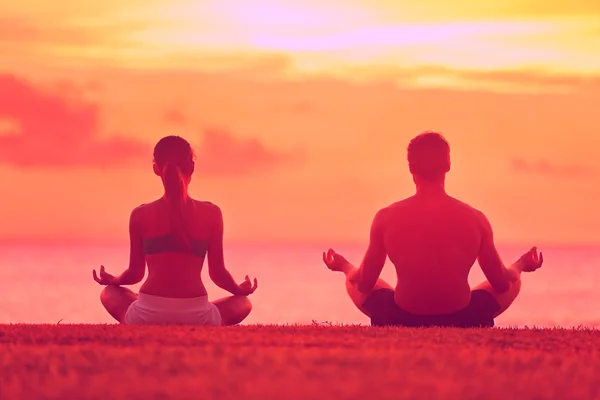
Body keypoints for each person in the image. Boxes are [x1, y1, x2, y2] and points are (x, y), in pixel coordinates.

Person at [322, 131, 543, 327]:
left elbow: (365, 283)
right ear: (448, 165)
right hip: (464, 318)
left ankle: (347, 271)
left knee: (353, 280)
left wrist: (344, 267)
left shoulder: (386, 217)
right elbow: (502, 284)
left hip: (400, 317)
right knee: (515, 280)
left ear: (410, 168)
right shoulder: (476, 219)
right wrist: (521, 265)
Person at [93, 135, 258, 325]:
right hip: (198, 315)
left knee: (109, 292)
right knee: (243, 302)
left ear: (155, 168)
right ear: (192, 167)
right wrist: (239, 289)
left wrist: (113, 280)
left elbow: (135, 273)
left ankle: (149, 310)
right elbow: (217, 273)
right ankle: (194, 311)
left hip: (146, 314)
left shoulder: (140, 214)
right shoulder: (212, 213)